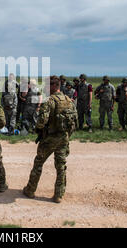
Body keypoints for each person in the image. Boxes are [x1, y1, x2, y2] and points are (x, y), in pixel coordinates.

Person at [23, 75, 78, 203]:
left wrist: (38, 130)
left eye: (48, 86)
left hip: (49, 138)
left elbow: (41, 121)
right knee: (61, 167)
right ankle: (58, 195)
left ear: (54, 86)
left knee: (38, 164)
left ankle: (30, 190)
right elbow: (75, 121)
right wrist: (67, 135)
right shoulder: (69, 101)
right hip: (63, 138)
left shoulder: (50, 101)